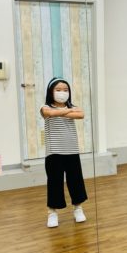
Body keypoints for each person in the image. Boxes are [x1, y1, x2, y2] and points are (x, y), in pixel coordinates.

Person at [41, 78, 88, 228]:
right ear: (51, 92)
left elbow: (81, 115)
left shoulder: (73, 107)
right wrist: (68, 111)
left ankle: (78, 208)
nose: (62, 92)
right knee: (54, 181)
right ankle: (52, 213)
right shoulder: (45, 107)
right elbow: (48, 113)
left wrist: (61, 112)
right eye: (58, 90)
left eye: (65, 90)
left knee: (75, 180)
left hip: (72, 150)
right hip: (54, 152)